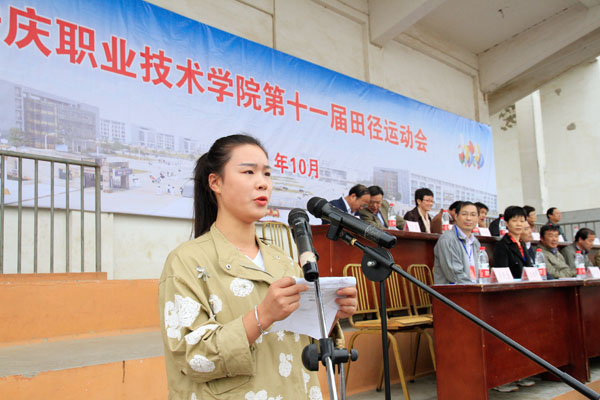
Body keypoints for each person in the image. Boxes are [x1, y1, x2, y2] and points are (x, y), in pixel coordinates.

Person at [158, 134, 357, 400]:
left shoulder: (283, 261)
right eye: (249, 172)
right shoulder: (186, 261)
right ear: (216, 182)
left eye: (267, 173)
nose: (262, 183)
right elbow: (190, 356)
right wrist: (262, 316)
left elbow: (302, 341)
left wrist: (330, 312)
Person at [433, 201, 481, 284]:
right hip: (453, 290)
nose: (468, 218)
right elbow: (454, 275)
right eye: (464, 214)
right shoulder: (448, 239)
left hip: (471, 288)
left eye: (473, 215)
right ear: (456, 216)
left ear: (477, 219)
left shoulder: (475, 242)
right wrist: (475, 287)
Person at [493, 206, 533, 279]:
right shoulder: (502, 245)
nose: (519, 224)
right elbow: (502, 273)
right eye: (514, 221)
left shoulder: (522, 244)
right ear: (506, 223)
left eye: (522, 221)